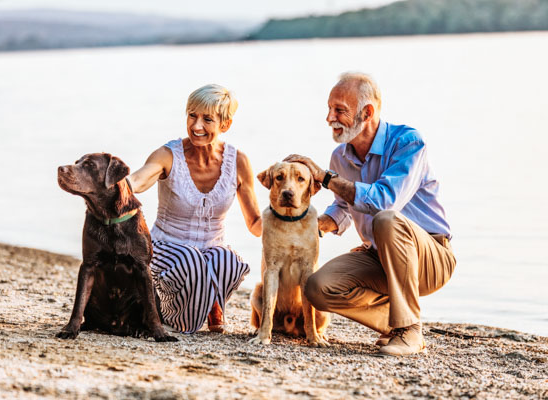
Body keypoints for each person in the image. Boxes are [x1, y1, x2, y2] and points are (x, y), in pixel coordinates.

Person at [285, 72, 456, 356]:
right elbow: (343, 207)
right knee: (317, 288)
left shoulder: (409, 142)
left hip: (431, 258)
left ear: (367, 112)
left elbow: (384, 202)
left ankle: (409, 330)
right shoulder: (341, 156)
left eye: (339, 110)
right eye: (329, 109)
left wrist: (324, 177)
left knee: (386, 220)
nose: (330, 117)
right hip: (379, 256)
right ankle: (396, 323)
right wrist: (310, 226)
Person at [128, 84, 262, 334]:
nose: (196, 126)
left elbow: (255, 225)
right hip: (164, 248)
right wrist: (120, 185)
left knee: (230, 260)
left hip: (209, 254)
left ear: (225, 124)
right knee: (191, 261)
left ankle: (208, 303)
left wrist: (295, 219)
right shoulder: (168, 154)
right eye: (192, 115)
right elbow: (140, 179)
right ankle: (168, 311)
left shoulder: (238, 161)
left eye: (207, 119)